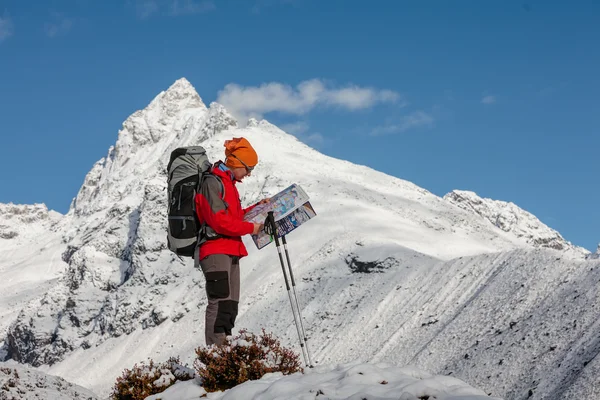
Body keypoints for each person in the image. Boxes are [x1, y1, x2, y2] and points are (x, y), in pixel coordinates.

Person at [194, 137, 268, 346]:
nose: (249, 173)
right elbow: (219, 221)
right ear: (236, 162)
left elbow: (233, 218)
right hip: (216, 249)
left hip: (231, 248)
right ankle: (215, 356)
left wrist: (256, 209)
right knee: (219, 302)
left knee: (229, 304)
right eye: (248, 168)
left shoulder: (227, 182)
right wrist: (251, 228)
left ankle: (224, 350)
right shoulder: (212, 182)